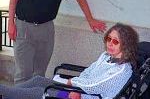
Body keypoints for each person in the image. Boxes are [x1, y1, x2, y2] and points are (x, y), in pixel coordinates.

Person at [0, 23, 139, 99]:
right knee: (37, 80)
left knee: (37, 92)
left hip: (84, 96)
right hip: (77, 90)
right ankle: (8, 94)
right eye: (109, 39)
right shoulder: (106, 56)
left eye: (115, 41)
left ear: (126, 44)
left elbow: (96, 86)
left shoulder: (121, 70)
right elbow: (89, 72)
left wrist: (74, 83)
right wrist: (75, 83)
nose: (110, 44)